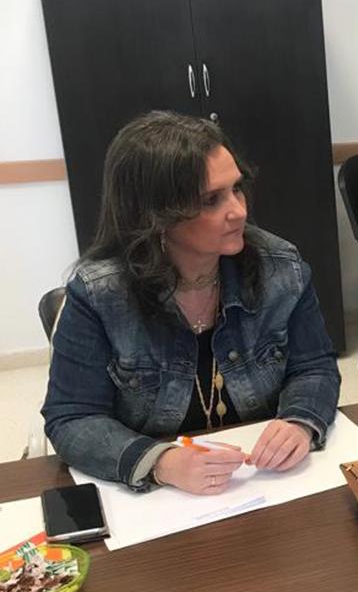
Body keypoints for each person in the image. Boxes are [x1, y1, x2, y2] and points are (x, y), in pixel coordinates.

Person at [42, 111, 341, 495]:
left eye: (237, 189)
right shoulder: (100, 295)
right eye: (211, 200)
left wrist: (300, 422)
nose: (239, 211)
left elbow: (314, 367)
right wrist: (159, 462)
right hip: (160, 503)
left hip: (260, 487)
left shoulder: (280, 268)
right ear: (155, 216)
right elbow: (72, 418)